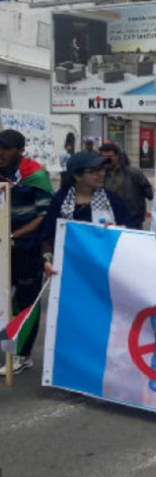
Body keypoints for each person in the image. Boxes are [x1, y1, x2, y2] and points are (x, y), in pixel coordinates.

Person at [0, 129, 53, 375]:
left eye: (6, 148)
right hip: (3, 250)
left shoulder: (36, 176)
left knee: (26, 303)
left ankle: (22, 355)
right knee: (4, 301)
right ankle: (7, 349)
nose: (0, 153)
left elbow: (43, 217)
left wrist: (12, 236)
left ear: (21, 150)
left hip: (27, 248)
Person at [39, 152, 131, 276]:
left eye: (102, 169)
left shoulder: (112, 201)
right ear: (77, 176)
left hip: (104, 270)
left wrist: (117, 230)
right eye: (94, 171)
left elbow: (131, 232)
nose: (101, 174)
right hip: (71, 271)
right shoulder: (60, 200)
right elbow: (48, 236)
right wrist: (47, 260)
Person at [99, 143, 153, 229]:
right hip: (108, 221)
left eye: (109, 157)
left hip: (132, 221)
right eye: (103, 157)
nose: (106, 160)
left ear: (117, 156)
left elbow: (149, 194)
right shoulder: (98, 176)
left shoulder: (134, 173)